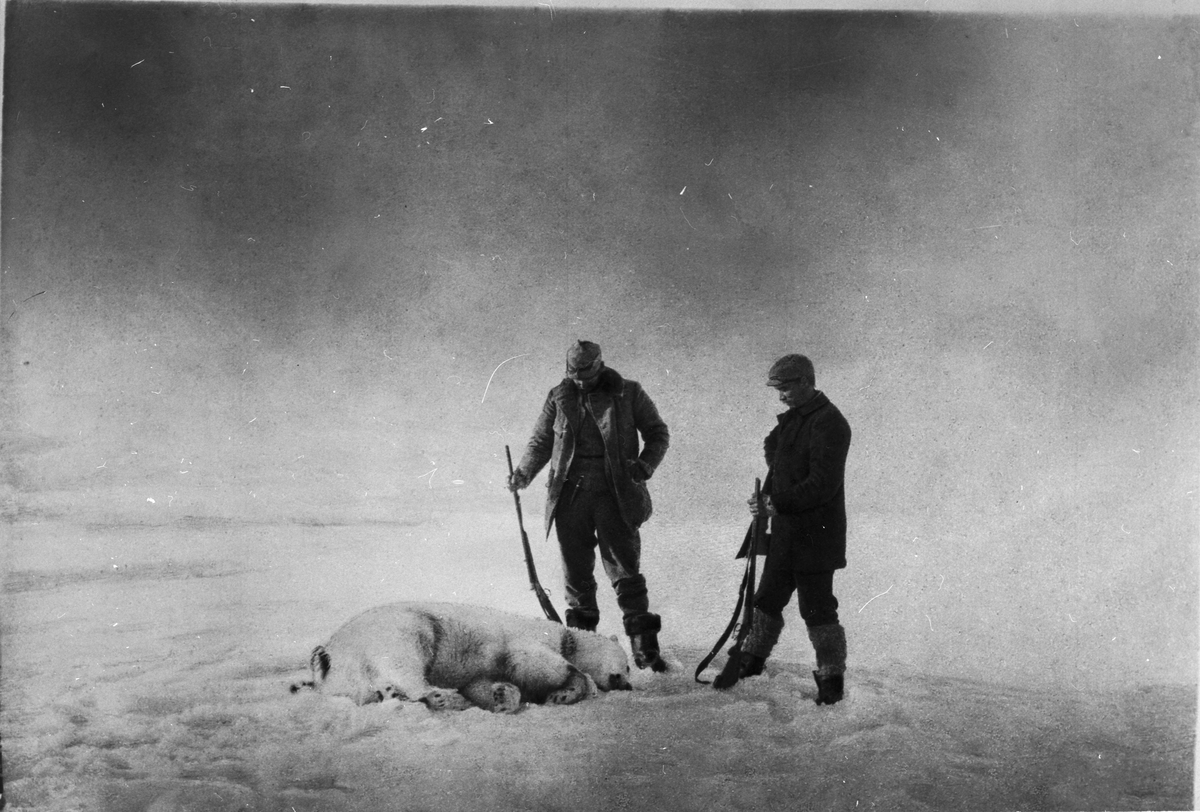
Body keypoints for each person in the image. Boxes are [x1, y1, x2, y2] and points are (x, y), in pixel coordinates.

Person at [507, 340, 671, 672]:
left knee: (623, 567)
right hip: (570, 495)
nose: (579, 380)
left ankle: (644, 648)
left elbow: (657, 432)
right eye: (573, 373)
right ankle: (583, 648)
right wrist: (523, 472)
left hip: (616, 494)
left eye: (586, 372)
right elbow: (541, 441)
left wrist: (645, 465)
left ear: (600, 365)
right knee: (576, 572)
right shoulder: (558, 396)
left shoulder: (629, 393)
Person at [715, 353, 852, 704]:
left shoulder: (830, 423)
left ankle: (831, 684)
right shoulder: (794, 421)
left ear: (806, 382)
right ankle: (749, 666)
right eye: (777, 389)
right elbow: (778, 460)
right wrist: (766, 500)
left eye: (786, 388)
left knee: (817, 609)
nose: (781, 396)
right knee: (766, 600)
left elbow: (823, 484)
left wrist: (776, 504)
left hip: (817, 536)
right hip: (787, 533)